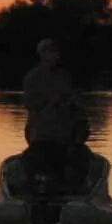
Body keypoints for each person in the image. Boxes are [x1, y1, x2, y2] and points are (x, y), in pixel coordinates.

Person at [22, 38, 89, 192]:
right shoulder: (33, 77)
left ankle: (73, 190)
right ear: (42, 54)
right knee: (42, 161)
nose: (56, 56)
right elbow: (31, 105)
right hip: (42, 134)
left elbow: (75, 106)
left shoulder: (64, 75)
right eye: (51, 52)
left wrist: (78, 119)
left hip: (64, 134)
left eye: (57, 53)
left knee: (76, 160)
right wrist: (53, 101)